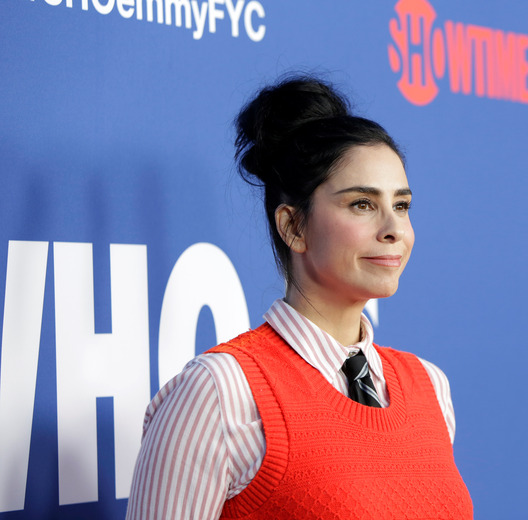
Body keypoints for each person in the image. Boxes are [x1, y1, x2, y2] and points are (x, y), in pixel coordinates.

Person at [126, 75, 473, 519]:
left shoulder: (430, 386)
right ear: (293, 226)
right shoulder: (220, 392)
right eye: (362, 204)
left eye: (401, 205)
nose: (394, 229)